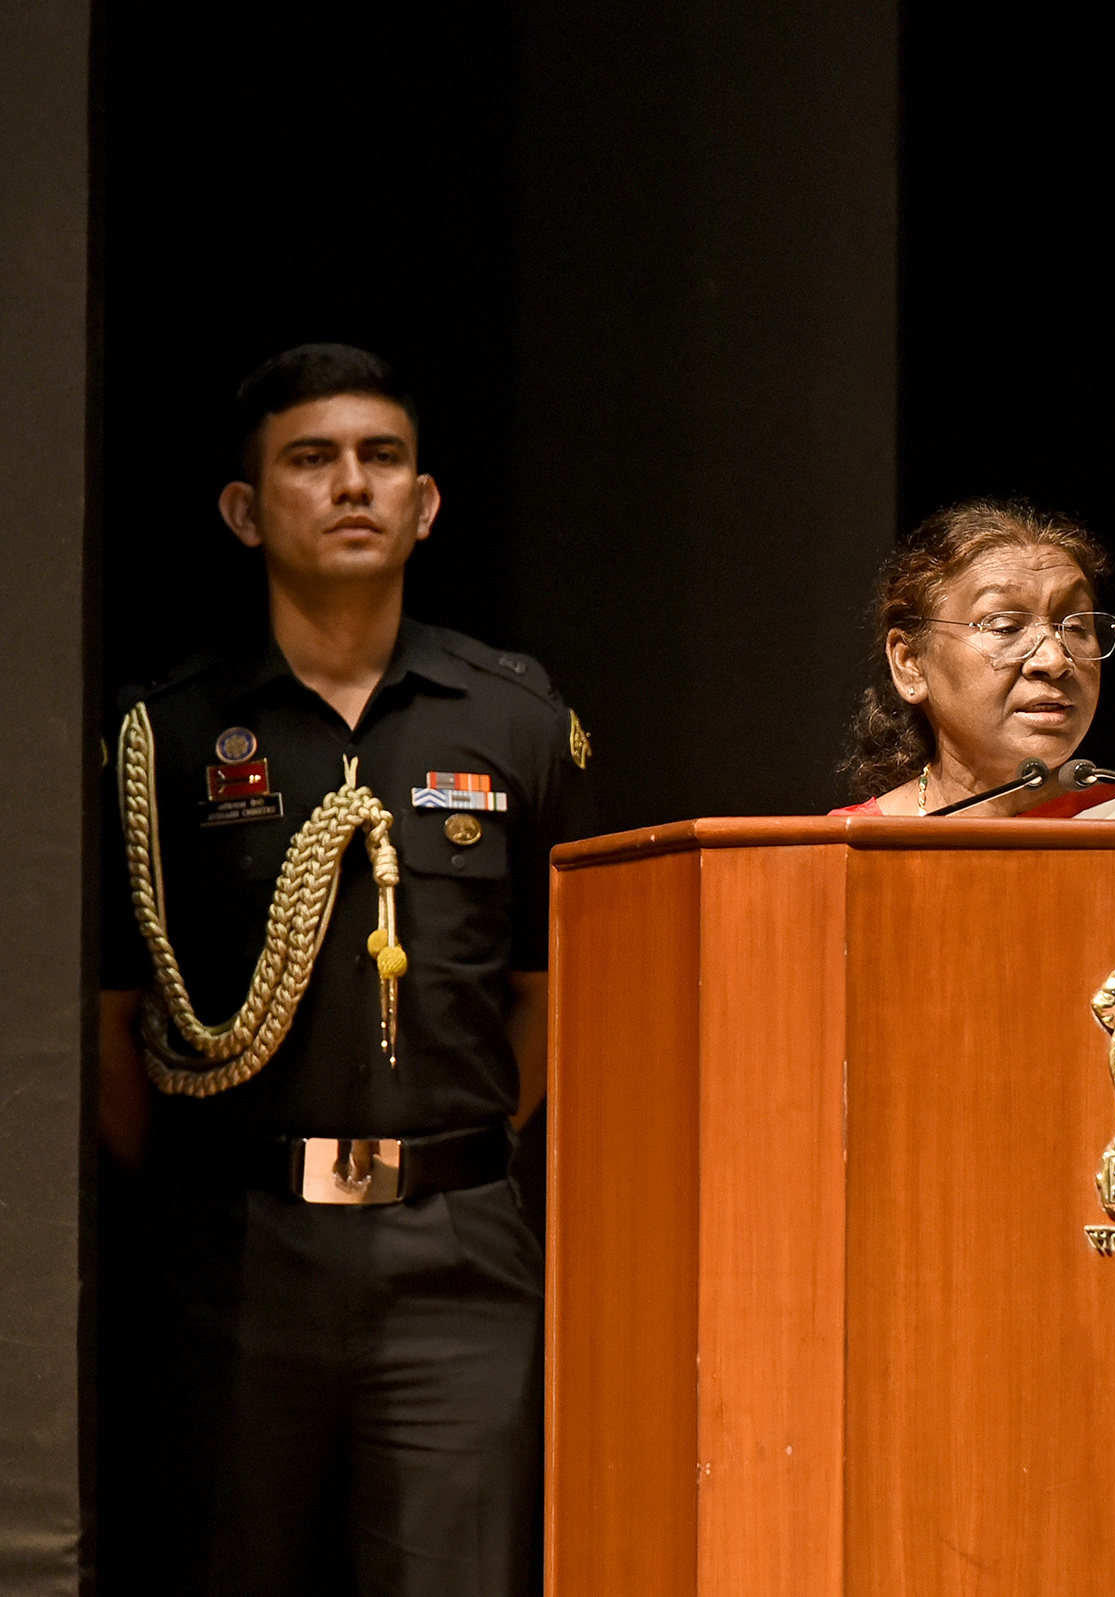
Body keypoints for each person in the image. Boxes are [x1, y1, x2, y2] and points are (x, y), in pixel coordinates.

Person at [99, 344, 592, 1597]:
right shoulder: (171, 732)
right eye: (310, 461)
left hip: (455, 1250)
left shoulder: (516, 721)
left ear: (425, 503)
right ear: (246, 510)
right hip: (234, 1248)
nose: (352, 486)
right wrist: (226, 1182)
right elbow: (113, 1022)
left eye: (381, 459)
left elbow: (548, 995)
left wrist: (438, 1155)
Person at [835, 497, 1115, 821]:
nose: (1054, 660)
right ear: (910, 664)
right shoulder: (843, 854)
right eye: (1004, 627)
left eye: (1076, 627)